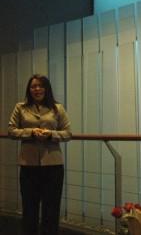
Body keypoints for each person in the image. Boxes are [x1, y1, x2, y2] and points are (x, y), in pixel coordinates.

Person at [8, 74, 72, 235]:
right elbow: (11, 131)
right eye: (33, 86)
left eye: (40, 86)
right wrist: (30, 132)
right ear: (29, 90)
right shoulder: (20, 107)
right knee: (29, 207)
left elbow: (68, 133)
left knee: (51, 208)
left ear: (46, 88)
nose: (37, 89)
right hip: (28, 165)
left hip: (53, 166)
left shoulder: (58, 108)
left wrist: (51, 134)